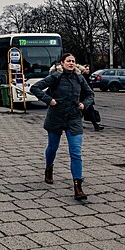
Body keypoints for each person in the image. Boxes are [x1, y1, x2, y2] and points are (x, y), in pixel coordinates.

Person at [30, 53, 94, 201]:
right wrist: (49, 100)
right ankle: (49, 167)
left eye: (73, 61)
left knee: (76, 152)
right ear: (62, 63)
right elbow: (35, 88)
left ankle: (78, 187)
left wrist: (84, 104)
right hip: (56, 117)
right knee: (53, 147)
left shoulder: (79, 77)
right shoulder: (55, 76)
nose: (71, 63)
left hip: (74, 118)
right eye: (68, 61)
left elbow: (90, 94)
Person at [82, 65, 104, 131]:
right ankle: (95, 125)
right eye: (86, 69)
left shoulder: (89, 78)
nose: (88, 70)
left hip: (88, 98)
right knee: (89, 112)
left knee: (88, 112)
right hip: (84, 98)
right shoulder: (82, 78)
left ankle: (95, 125)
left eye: (88, 69)